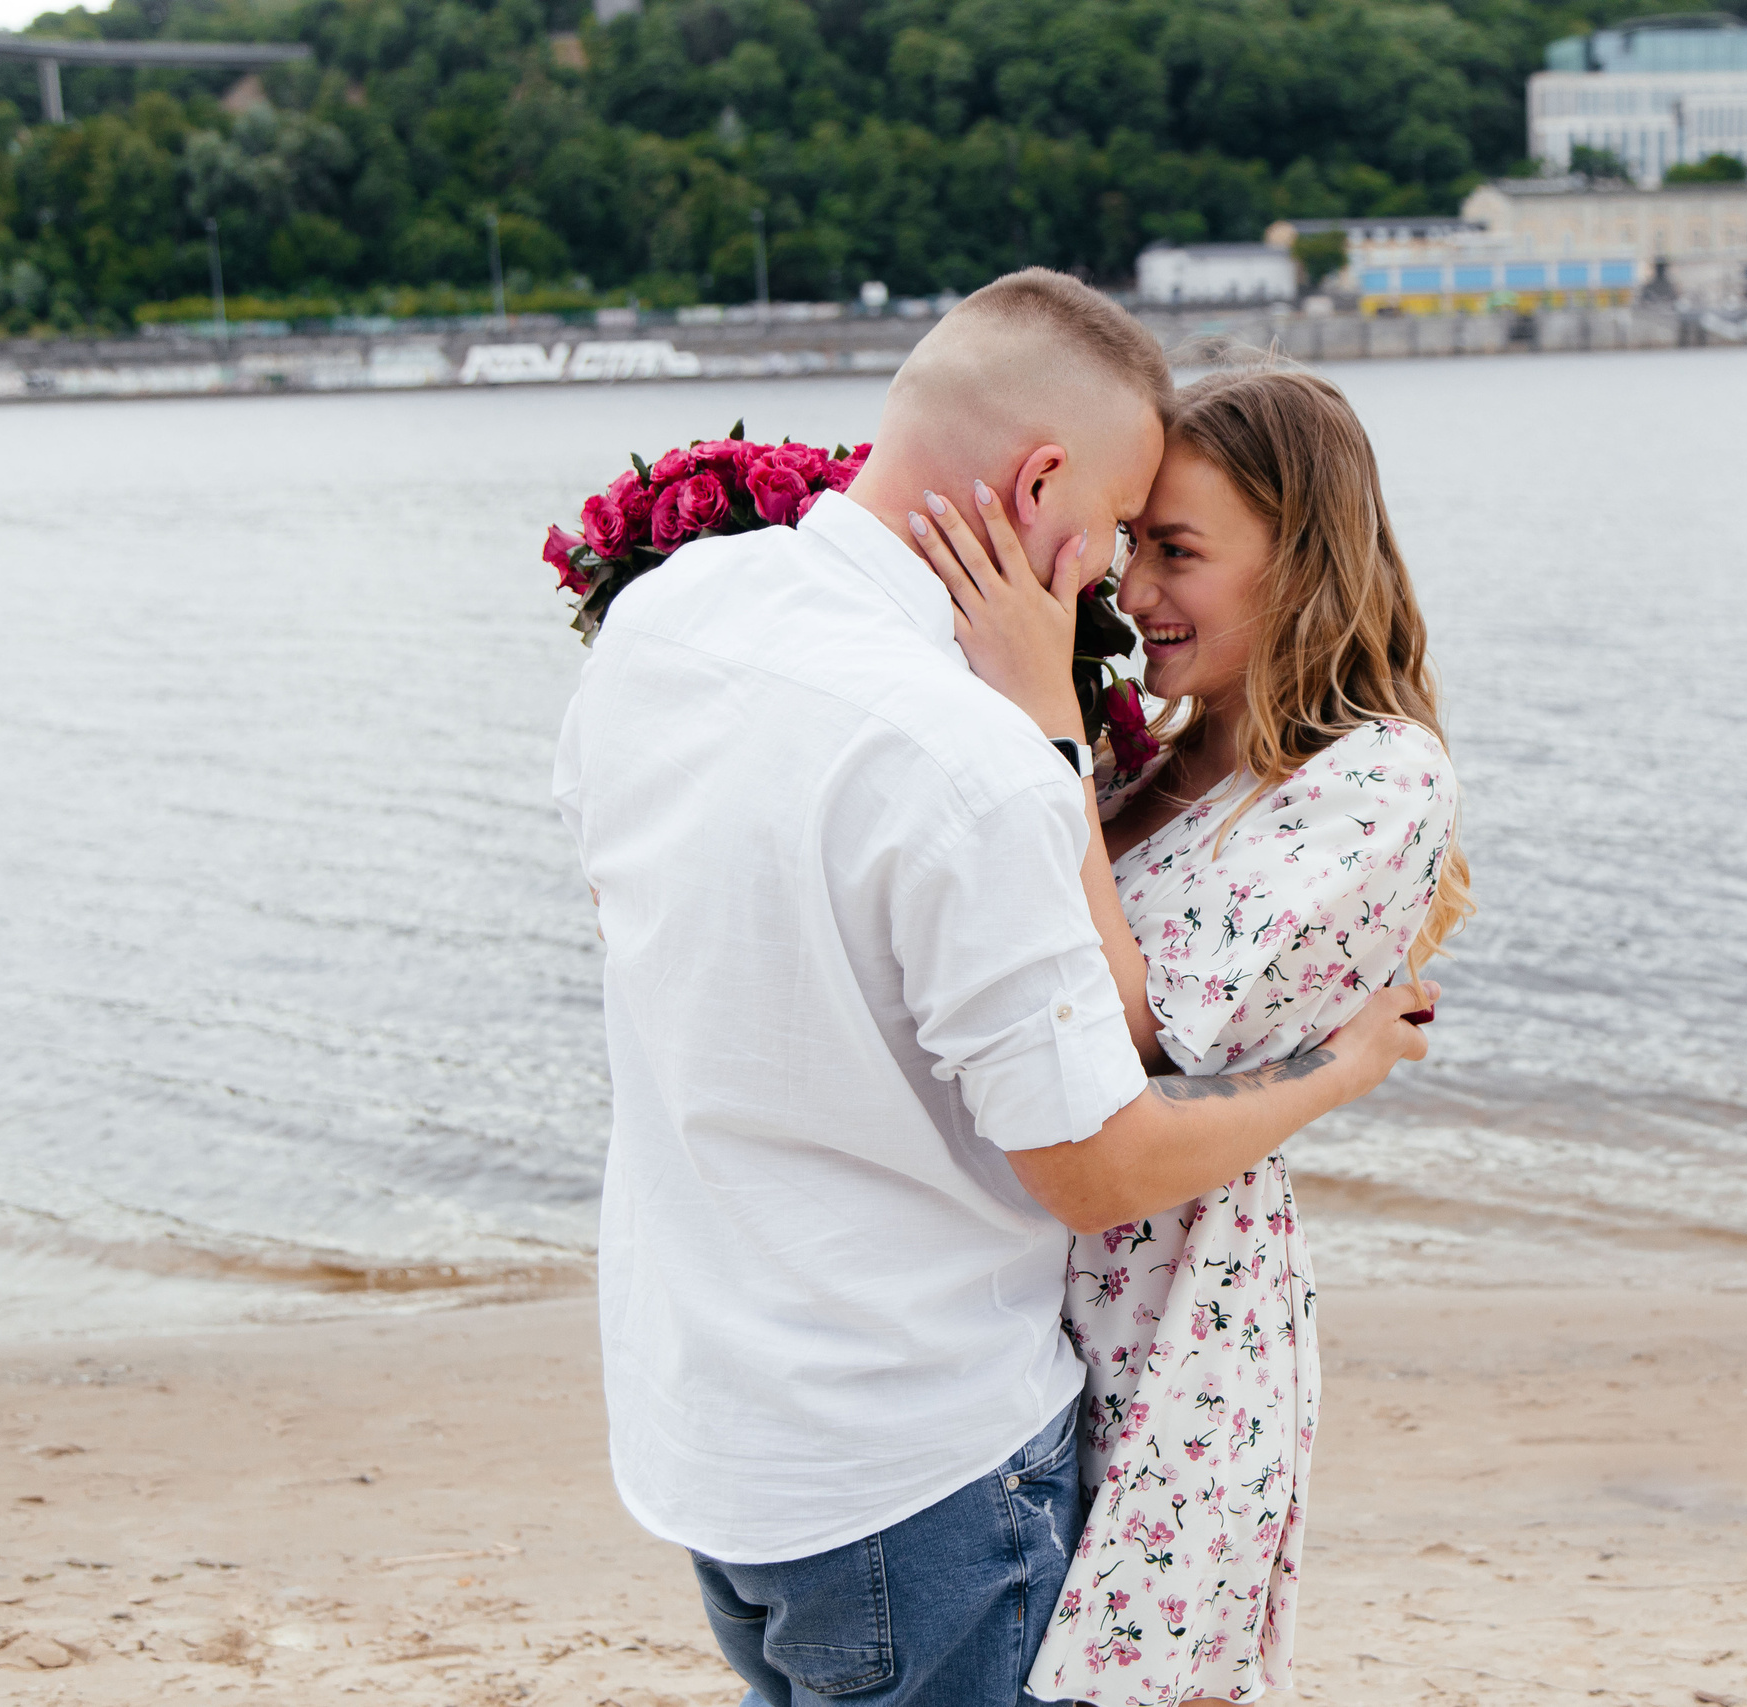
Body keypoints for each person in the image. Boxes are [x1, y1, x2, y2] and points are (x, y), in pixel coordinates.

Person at [551, 271, 1439, 1707]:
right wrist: (1344, 1068)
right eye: (1115, 534)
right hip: (915, 1459)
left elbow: (627, 907)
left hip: (713, 1432)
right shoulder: (973, 763)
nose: (1112, 589)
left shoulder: (678, 611)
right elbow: (1097, 1172)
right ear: (1043, 484)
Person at [910, 365, 1471, 1704]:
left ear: (1302, 559)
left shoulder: (1378, 777)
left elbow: (1151, 1025)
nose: (1137, 594)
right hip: (1041, 1299)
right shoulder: (1155, 759)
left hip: (1179, 1321)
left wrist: (1045, 719)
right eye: (1130, 548)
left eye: (1179, 552)